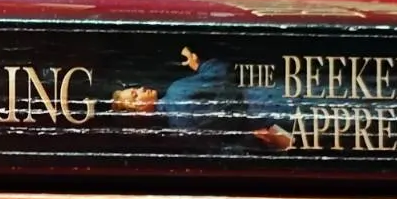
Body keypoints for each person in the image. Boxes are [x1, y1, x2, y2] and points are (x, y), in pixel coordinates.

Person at [111, 45, 294, 150]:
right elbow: (221, 72)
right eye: (135, 94)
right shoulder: (177, 92)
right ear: (138, 112)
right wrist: (199, 65)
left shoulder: (179, 135)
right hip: (264, 97)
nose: (141, 88)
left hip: (264, 125)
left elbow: (221, 146)